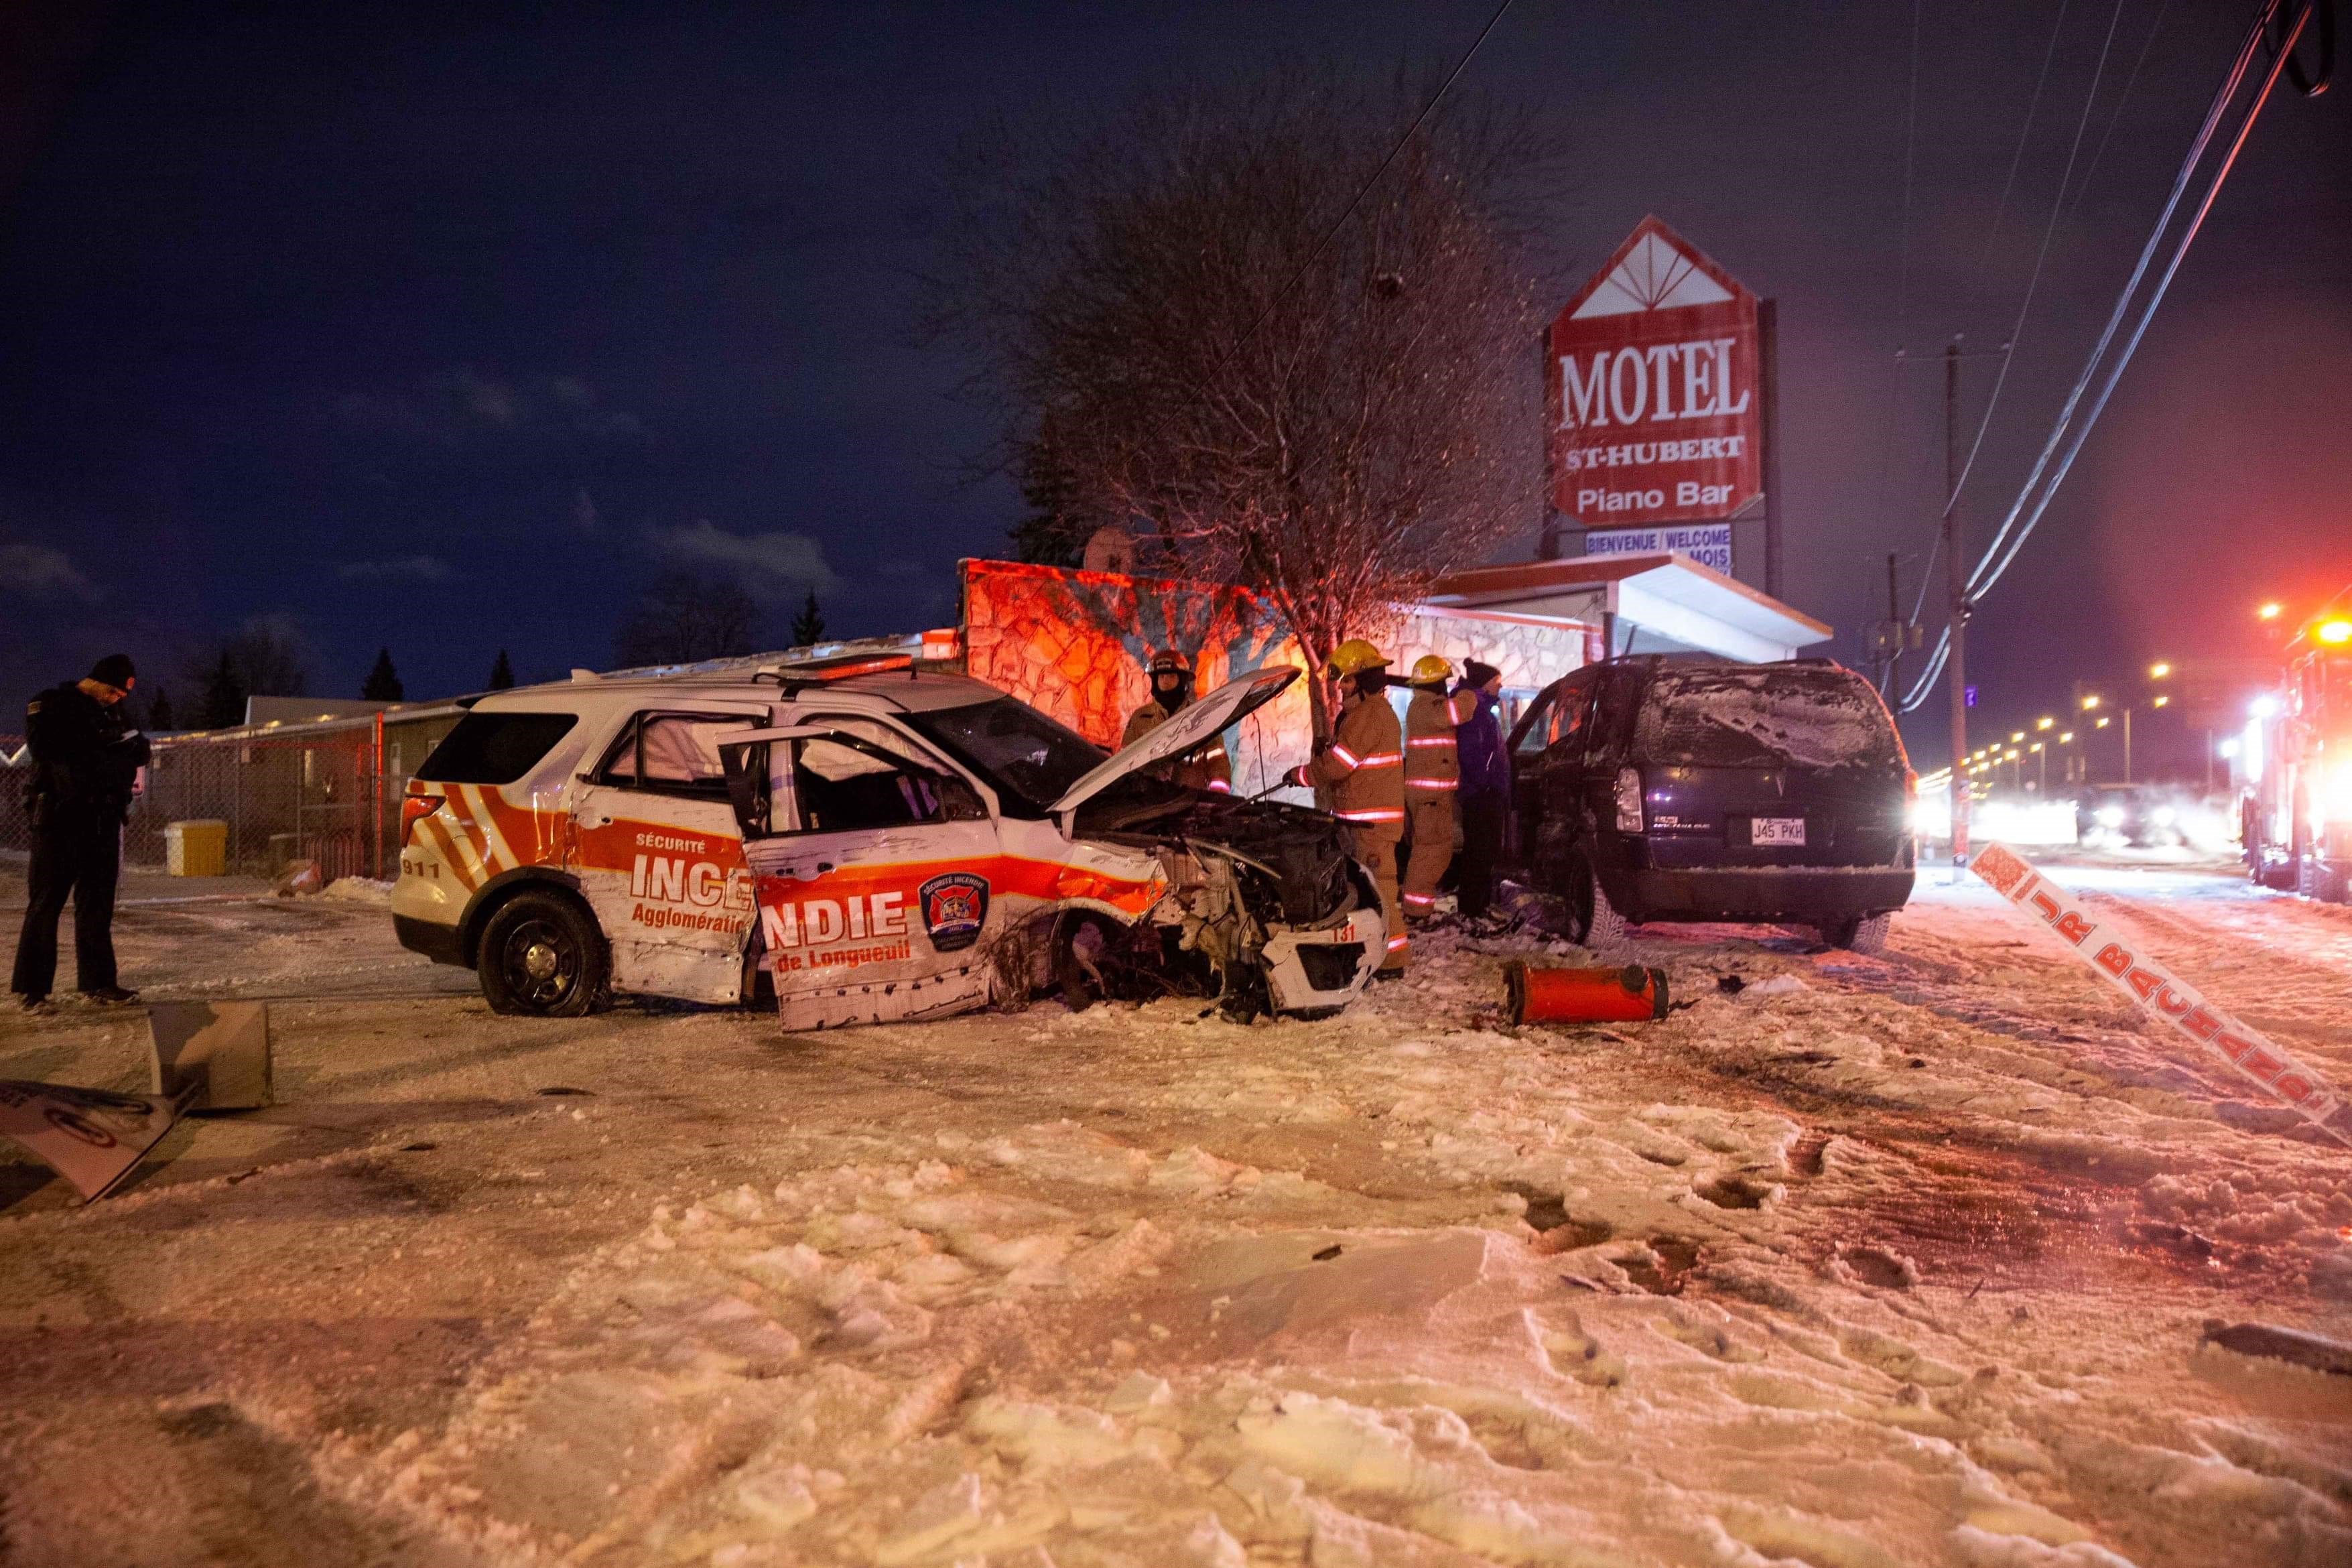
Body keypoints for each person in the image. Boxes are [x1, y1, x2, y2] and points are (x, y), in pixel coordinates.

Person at [11, 654, 151, 1010]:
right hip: (60, 820)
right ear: (98, 682)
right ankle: (33, 990)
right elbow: (46, 748)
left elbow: (140, 750)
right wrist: (105, 745)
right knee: (46, 904)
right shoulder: (53, 704)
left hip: (102, 819)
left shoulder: (114, 714)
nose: (118, 699)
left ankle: (99, 982)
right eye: (115, 692)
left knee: (97, 906)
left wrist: (116, 747)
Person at [1287, 639, 1408, 976]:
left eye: (1348, 680)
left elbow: (1339, 765)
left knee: (1380, 891)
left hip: (1372, 828)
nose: (1340, 687)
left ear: (1365, 681)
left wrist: (1301, 775)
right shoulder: (1364, 715)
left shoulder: (1369, 715)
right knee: (1368, 890)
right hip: (1362, 824)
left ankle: (1392, 960)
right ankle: (1374, 954)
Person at [1400, 654, 1472, 926]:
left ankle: (1418, 910)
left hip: (1432, 797)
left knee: (1431, 852)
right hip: (1430, 798)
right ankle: (1416, 913)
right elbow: (1462, 710)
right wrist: (1469, 692)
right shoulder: (1426, 708)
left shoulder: (1423, 707)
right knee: (1429, 853)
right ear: (1436, 683)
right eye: (1444, 682)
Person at [1122, 649, 1232, 793]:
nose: (1165, 680)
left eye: (1171, 676)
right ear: (1155, 681)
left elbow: (1217, 760)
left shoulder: (1201, 717)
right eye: (1161, 676)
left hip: (1191, 797)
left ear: (1182, 680)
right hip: (1149, 798)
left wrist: (1218, 795)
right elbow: (1125, 762)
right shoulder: (1141, 718)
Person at [1454, 659, 1510, 930]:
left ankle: (1480, 905)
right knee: (1479, 851)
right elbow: (1471, 753)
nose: (1500, 685)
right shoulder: (1475, 711)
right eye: (1496, 681)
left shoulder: (1482, 709)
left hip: (1485, 792)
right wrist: (1486, 783)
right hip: (1480, 795)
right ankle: (1472, 908)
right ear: (1484, 683)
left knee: (1486, 852)